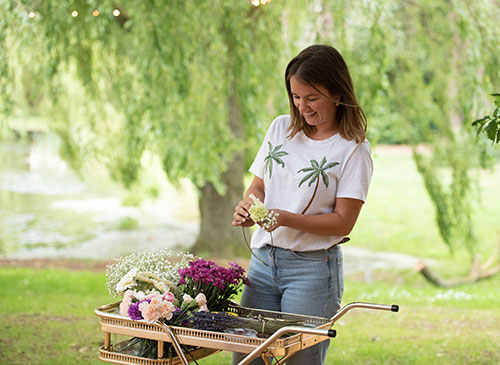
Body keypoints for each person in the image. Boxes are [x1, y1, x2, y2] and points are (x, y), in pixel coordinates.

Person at [231, 44, 373, 365]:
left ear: (337, 93)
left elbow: (342, 223)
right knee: (247, 359)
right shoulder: (281, 128)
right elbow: (258, 187)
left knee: (300, 361)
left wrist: (283, 218)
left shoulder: (353, 150)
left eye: (312, 98)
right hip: (263, 263)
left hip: (312, 271)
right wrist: (248, 206)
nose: (302, 106)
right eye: (296, 97)